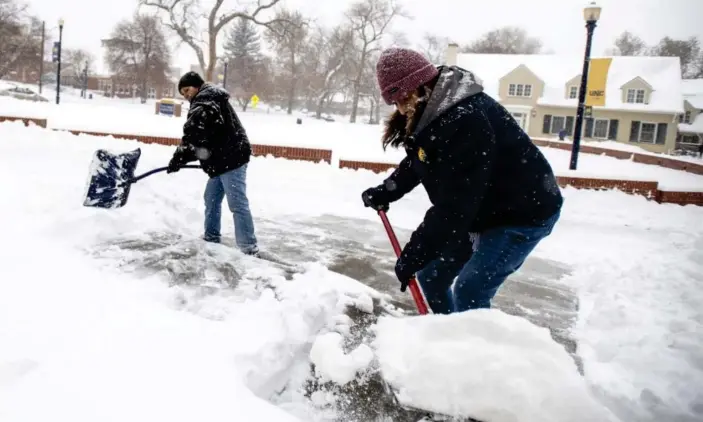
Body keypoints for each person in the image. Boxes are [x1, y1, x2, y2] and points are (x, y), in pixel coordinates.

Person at [361, 48, 563, 314]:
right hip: (481, 211)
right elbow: (421, 157)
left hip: (521, 215)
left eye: (401, 99)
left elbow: (455, 206)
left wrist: (414, 254)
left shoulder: (465, 118)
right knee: (431, 278)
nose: (399, 109)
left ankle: (472, 351)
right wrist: (388, 190)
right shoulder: (436, 112)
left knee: (471, 289)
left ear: (419, 87)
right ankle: (447, 336)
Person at [167, 71, 259, 256]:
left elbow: (195, 136)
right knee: (211, 198)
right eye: (182, 93)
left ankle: (249, 247)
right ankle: (211, 237)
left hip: (231, 159)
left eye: (186, 90)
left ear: (197, 86)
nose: (185, 95)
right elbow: (206, 138)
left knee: (237, 204)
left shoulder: (205, 103)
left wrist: (179, 158)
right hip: (222, 160)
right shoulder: (209, 99)